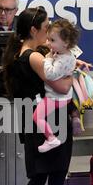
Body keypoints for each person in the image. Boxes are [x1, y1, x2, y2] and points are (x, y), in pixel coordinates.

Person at [2, 7, 90, 185]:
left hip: (35, 124)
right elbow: (62, 87)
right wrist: (74, 72)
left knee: (37, 180)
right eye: (46, 28)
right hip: (53, 124)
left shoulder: (20, 54)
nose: (49, 33)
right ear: (34, 30)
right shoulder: (36, 58)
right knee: (55, 182)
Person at [32, 18, 81, 153]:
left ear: (65, 43)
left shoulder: (61, 59)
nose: (48, 43)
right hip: (62, 98)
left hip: (55, 98)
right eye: (48, 39)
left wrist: (47, 59)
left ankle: (51, 139)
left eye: (52, 41)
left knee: (37, 117)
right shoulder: (67, 55)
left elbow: (50, 74)